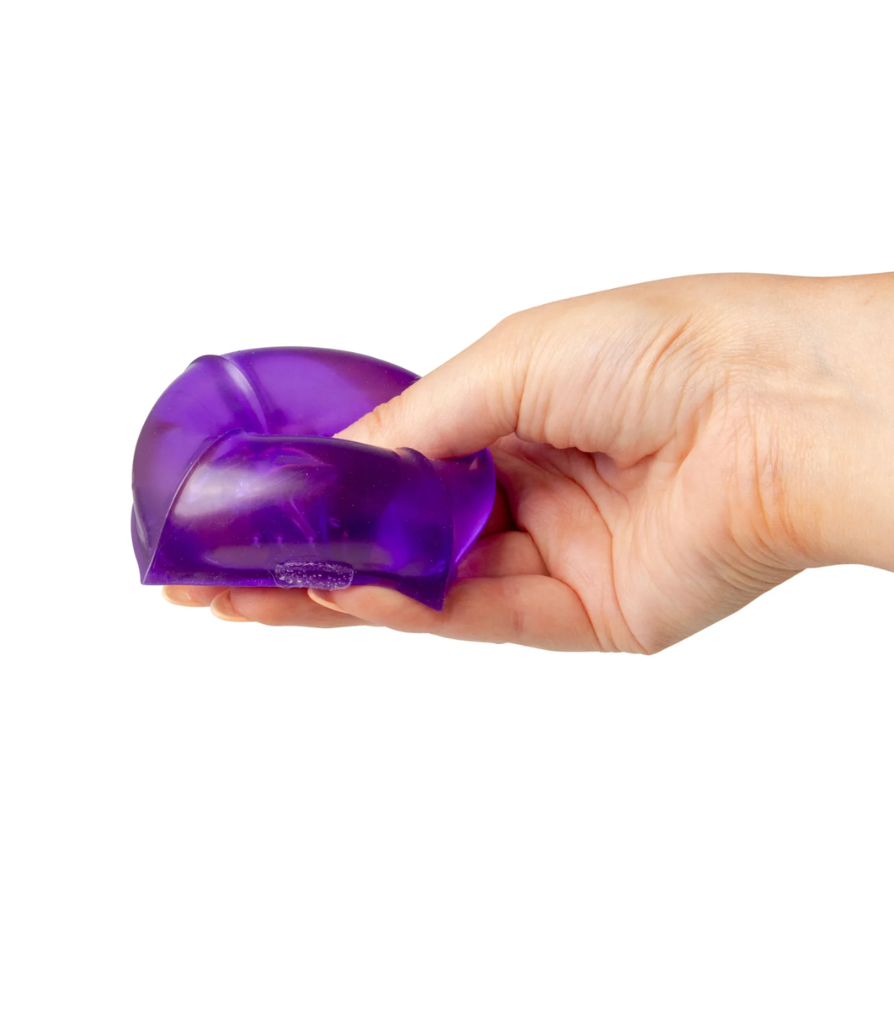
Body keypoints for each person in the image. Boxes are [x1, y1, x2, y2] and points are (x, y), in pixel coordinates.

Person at [162, 272, 894, 652]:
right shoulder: (204, 431)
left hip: (457, 500)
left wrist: (741, 410)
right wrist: (759, 447)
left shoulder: (448, 475)